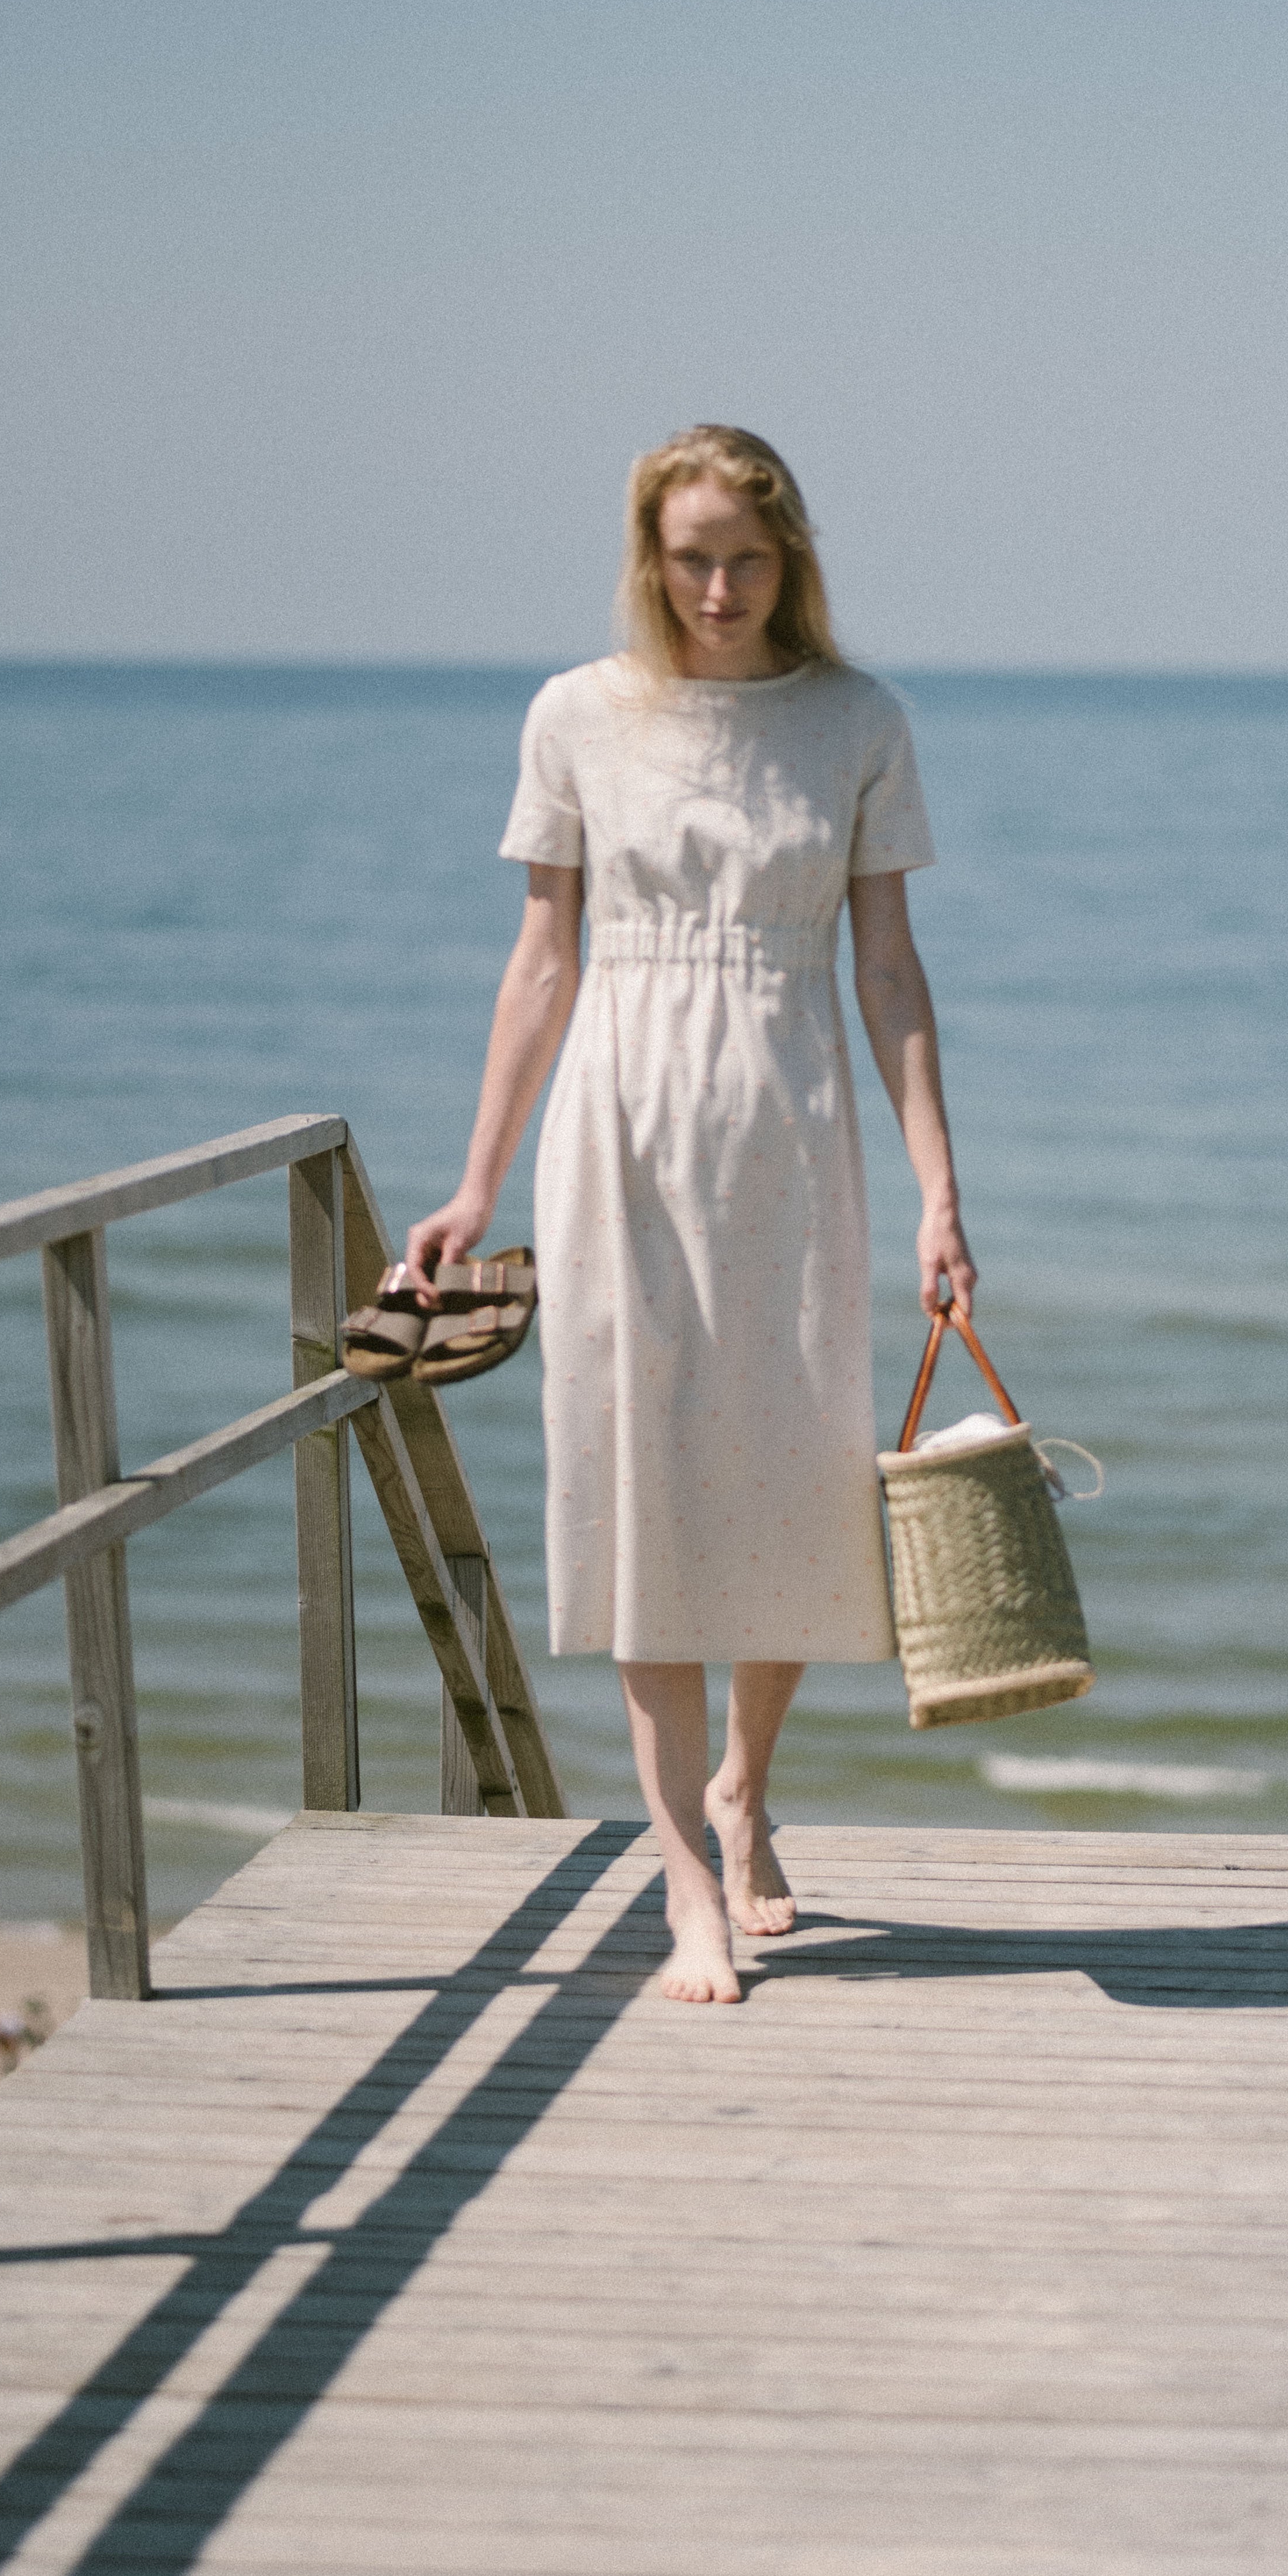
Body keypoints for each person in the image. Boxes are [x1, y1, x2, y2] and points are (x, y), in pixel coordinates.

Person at [409, 426, 974, 2005]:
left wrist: (941, 1185)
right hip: (620, 1123)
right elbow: (541, 962)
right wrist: (472, 1180)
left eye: (746, 555)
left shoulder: (859, 720)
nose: (718, 586)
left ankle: (746, 1784)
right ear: (651, 557)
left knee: (794, 1478)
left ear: (791, 559)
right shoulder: (578, 714)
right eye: (691, 555)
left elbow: (887, 968)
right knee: (641, 1487)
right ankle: (684, 1881)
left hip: (793, 1126)